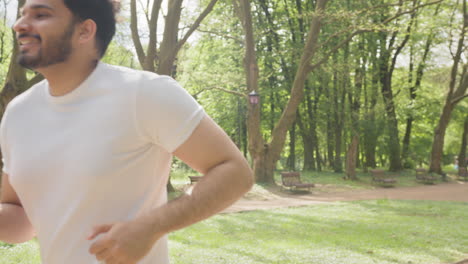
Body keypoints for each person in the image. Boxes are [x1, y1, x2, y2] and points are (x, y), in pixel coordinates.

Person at [0, 0, 253, 263]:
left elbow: (235, 172)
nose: (19, 25)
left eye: (41, 14)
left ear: (84, 31)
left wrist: (151, 226)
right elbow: (20, 216)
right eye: (22, 15)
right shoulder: (18, 113)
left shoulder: (145, 94)